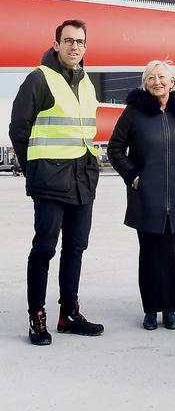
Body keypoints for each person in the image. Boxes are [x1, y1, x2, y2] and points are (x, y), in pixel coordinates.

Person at [9, 19, 104, 345]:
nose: (75, 46)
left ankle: (69, 314)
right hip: (50, 180)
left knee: (76, 248)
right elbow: (18, 129)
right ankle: (37, 318)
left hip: (82, 178)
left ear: (85, 46)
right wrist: (34, 169)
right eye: (69, 41)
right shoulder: (39, 78)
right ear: (56, 44)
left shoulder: (87, 82)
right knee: (44, 248)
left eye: (80, 41)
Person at [107, 60, 175, 330]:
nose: (156, 82)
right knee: (149, 253)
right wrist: (133, 176)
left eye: (161, 77)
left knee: (169, 253)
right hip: (145, 196)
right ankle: (150, 310)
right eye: (150, 78)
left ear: (172, 82)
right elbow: (115, 149)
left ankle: (170, 310)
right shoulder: (134, 113)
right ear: (145, 83)